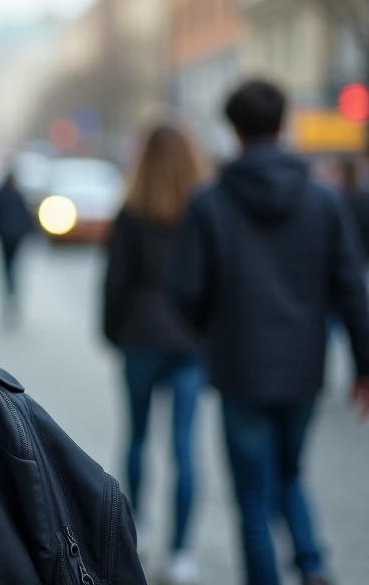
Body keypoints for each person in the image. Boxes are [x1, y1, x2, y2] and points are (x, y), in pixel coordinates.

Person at [173, 80, 369, 585]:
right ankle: (313, 565)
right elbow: (351, 288)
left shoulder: (209, 201)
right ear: (283, 126)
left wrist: (210, 334)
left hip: (240, 366)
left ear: (234, 131)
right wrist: (365, 366)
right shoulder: (323, 200)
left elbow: (188, 292)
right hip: (304, 366)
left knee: (253, 494)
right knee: (290, 473)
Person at [103, 123, 206, 584]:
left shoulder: (132, 211)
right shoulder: (203, 212)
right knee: (185, 447)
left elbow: (116, 283)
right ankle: (182, 552)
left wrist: (112, 332)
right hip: (189, 341)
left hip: (141, 337)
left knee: (138, 438)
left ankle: (138, 527)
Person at [0, 170, 33, 322]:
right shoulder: (18, 195)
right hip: (16, 236)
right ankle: (12, 292)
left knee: (7, 266)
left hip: (5, 236)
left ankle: (9, 292)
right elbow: (26, 216)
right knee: (13, 266)